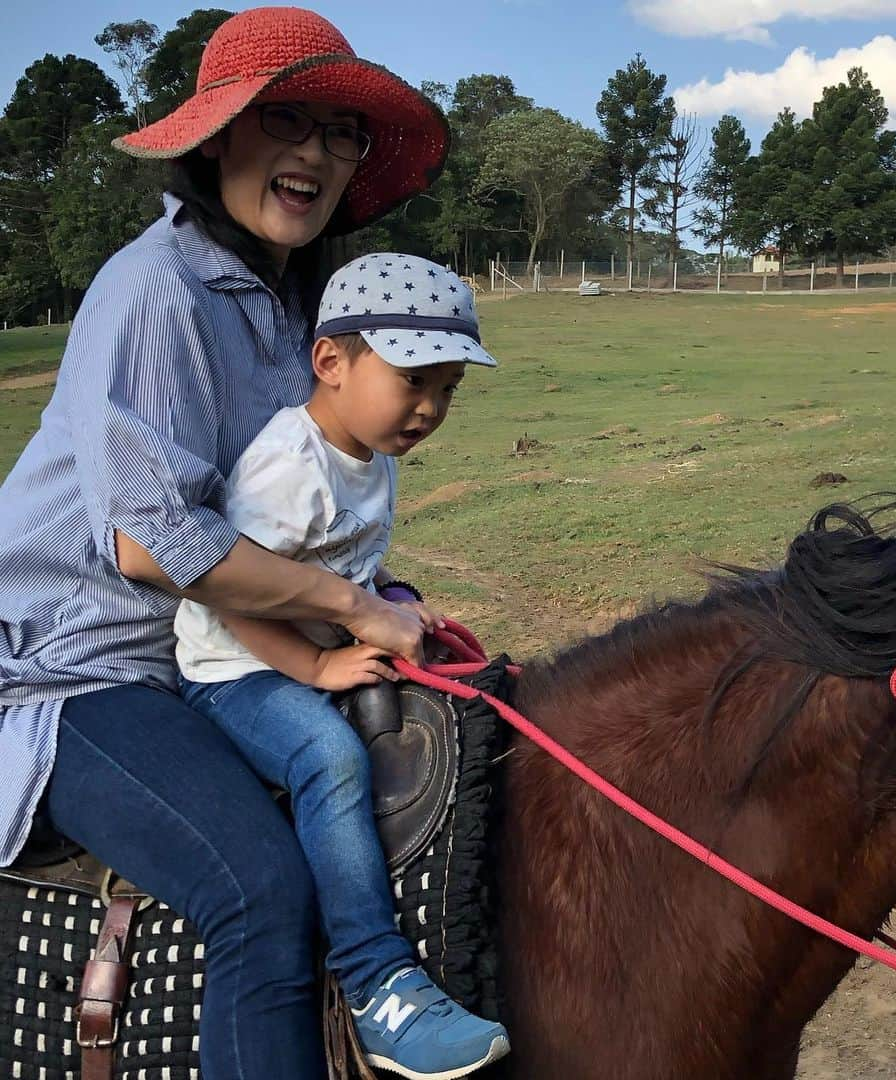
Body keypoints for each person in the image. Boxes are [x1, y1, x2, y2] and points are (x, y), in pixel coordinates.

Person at [0, 8, 472, 1078]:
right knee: (260, 891)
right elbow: (150, 547)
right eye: (284, 120)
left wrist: (381, 595)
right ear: (218, 137)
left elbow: (289, 510)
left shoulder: (297, 300)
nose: (314, 153)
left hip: (214, 641)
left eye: (340, 133)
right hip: (81, 663)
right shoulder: (152, 293)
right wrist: (350, 611)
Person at [173, 253, 508, 1078]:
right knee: (327, 757)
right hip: (232, 669)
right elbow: (229, 596)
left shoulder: (371, 453)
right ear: (331, 361)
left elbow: (344, 570)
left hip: (307, 642)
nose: (429, 408)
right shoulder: (291, 466)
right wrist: (317, 673)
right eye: (413, 381)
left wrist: (396, 596)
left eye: (448, 390)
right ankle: (375, 982)